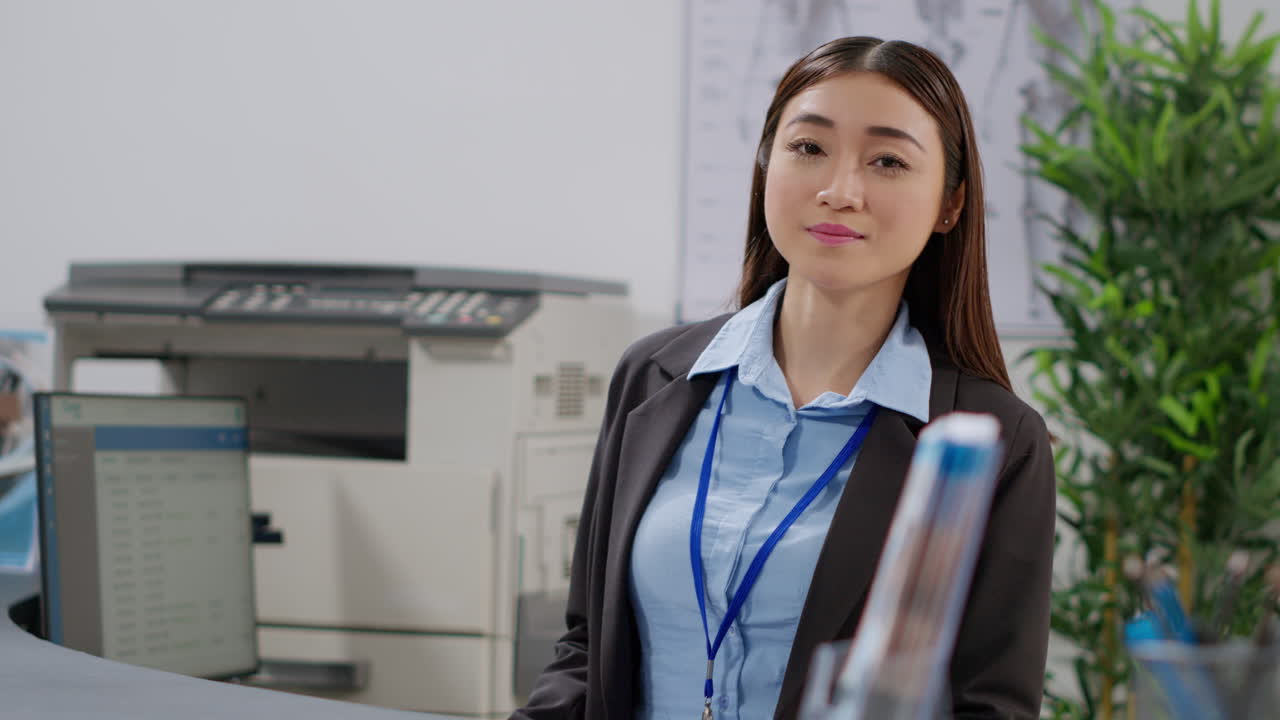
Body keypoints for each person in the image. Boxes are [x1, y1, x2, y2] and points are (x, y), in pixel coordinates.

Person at [513, 36, 1055, 720]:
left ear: (950, 205)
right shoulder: (654, 377)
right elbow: (588, 649)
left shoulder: (995, 440)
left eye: (888, 161)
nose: (839, 191)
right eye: (808, 148)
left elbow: (991, 706)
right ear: (767, 166)